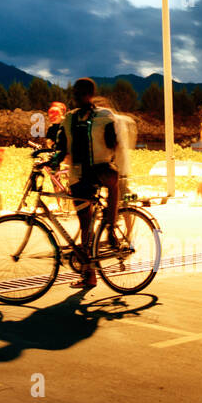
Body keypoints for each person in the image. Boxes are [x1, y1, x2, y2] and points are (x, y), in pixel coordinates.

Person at [49, 78, 125, 289]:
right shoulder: (70, 119)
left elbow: (112, 144)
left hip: (93, 172)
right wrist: (52, 160)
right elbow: (62, 148)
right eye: (76, 93)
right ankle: (89, 274)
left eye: (80, 93)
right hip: (81, 175)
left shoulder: (102, 116)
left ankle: (110, 227)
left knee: (113, 180)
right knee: (85, 224)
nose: (76, 96)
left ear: (89, 95)